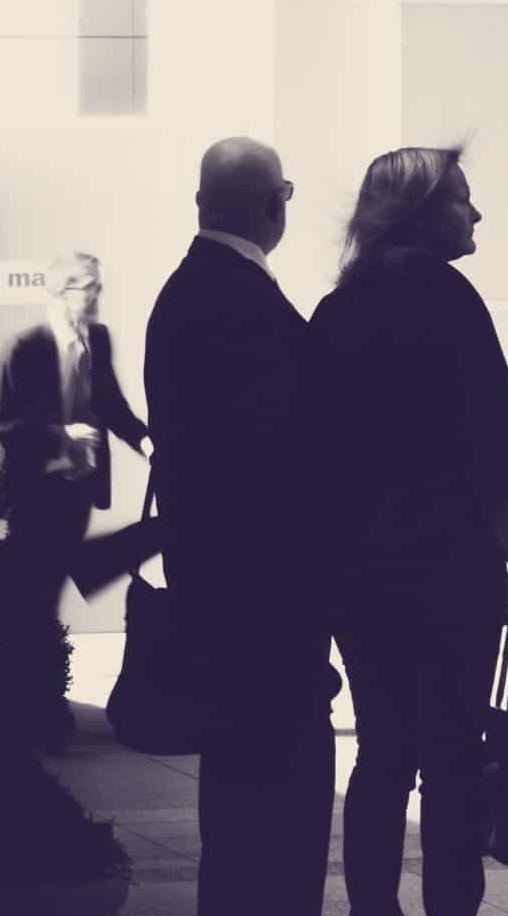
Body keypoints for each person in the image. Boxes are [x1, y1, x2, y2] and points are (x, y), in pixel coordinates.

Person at [307, 146, 508, 916]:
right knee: (451, 756)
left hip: (359, 576)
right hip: (452, 571)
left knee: (380, 753)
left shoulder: (336, 310)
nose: (476, 214)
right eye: (463, 200)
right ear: (422, 212)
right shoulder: (453, 301)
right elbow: (493, 453)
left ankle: (371, 908)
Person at [143, 137, 338, 915]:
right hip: (267, 609)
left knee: (234, 812)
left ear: (200, 203)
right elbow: (277, 462)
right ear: (275, 204)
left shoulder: (185, 293)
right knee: (280, 815)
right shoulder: (242, 304)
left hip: (217, 599)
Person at [0, 251, 151, 743]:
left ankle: (38, 704)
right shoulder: (25, 347)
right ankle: (41, 708)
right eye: (89, 287)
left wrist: (144, 440)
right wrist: (61, 436)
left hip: (79, 488)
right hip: (35, 488)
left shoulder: (97, 340)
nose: (98, 295)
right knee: (40, 593)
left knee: (44, 590)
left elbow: (111, 403)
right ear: (61, 293)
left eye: (98, 286)